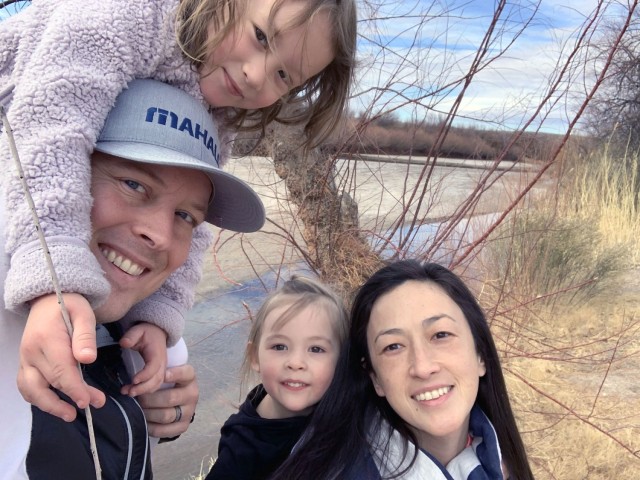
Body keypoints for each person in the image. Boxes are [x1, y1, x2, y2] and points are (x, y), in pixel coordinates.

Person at [0, 0, 357, 417]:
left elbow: (196, 219)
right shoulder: (126, 15)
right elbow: (50, 129)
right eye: (260, 36)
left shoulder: (213, 101)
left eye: (283, 75)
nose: (256, 74)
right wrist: (55, 283)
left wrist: (157, 315)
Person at [0, 78, 266, 479]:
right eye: (133, 184)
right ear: (62, 177)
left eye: (185, 216)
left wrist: (164, 419)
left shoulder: (140, 330)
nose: (159, 235)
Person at [271, 260, 534, 480]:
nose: (423, 366)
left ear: (480, 354)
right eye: (393, 346)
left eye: (440, 334)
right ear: (375, 378)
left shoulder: (495, 457)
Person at [206, 275, 348, 479]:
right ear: (255, 356)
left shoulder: (348, 409)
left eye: (316, 349)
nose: (296, 362)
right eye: (279, 346)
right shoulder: (242, 450)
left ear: (341, 361)